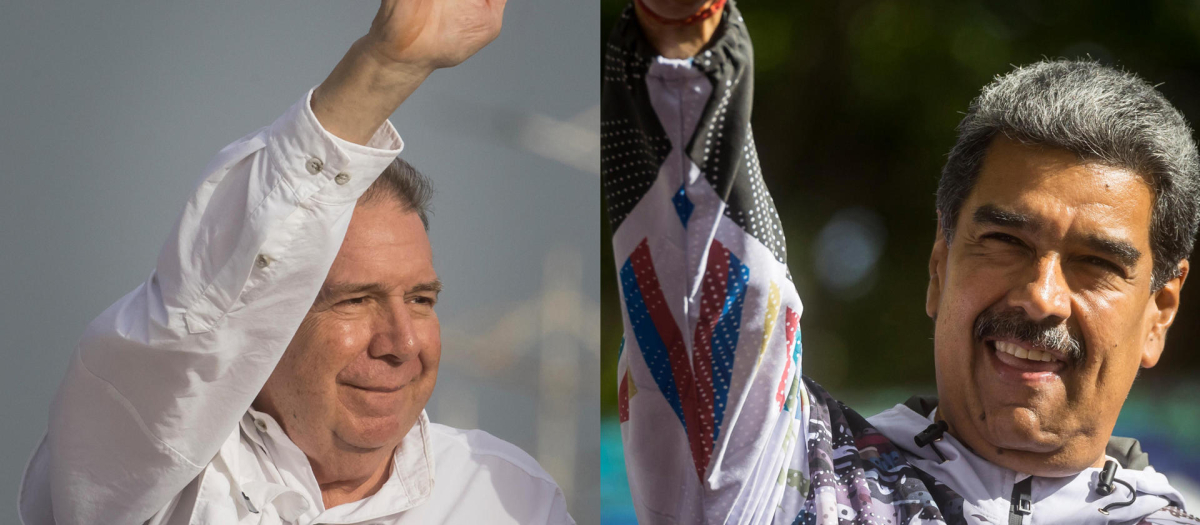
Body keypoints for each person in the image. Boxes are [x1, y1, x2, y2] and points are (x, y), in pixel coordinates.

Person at [603, 0, 1200, 523]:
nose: (1042, 295)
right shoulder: (793, 477)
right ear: (939, 268)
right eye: (1005, 242)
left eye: (1095, 262)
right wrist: (683, 40)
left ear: (1160, 312)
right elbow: (714, 294)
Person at [19, 1, 573, 523]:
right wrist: (383, 66)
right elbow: (197, 321)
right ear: (268, 318)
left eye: (421, 300)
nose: (402, 343)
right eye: (357, 299)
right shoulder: (149, 470)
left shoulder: (510, 497)